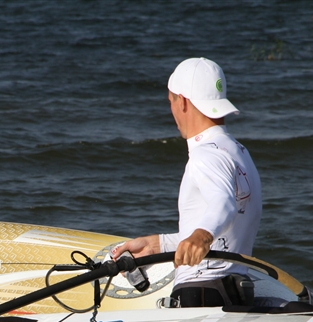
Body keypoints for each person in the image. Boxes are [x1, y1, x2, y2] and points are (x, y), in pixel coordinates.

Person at [112, 57, 262, 307]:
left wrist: (201, 236)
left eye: (170, 100)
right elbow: (226, 232)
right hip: (233, 294)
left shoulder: (205, 155)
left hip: (199, 293)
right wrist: (155, 245)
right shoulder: (238, 152)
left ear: (181, 101)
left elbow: (222, 205)